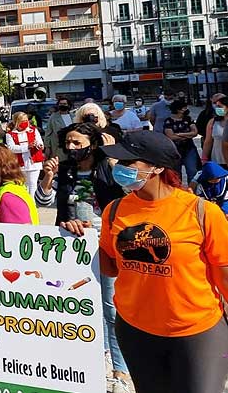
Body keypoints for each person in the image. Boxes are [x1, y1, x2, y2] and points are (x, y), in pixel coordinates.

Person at [98, 131, 228, 393]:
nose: (119, 168)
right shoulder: (114, 210)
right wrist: (73, 235)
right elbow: (109, 267)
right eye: (119, 163)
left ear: (157, 167)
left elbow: (225, 275)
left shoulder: (202, 212)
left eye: (128, 163)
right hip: (136, 330)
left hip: (196, 332)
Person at [39, 123, 129, 390]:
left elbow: (131, 194)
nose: (71, 148)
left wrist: (114, 160)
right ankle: (94, 361)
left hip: (106, 244)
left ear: (93, 143)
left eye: (77, 143)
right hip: (73, 248)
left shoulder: (108, 168)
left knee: (111, 308)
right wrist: (47, 177)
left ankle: (120, 370)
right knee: (83, 306)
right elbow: (43, 201)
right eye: (68, 143)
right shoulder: (65, 170)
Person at [5, 111, 45, 196]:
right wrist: (27, 147)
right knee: (23, 186)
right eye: (22, 121)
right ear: (16, 122)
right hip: (20, 163)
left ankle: (31, 202)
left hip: (34, 162)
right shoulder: (10, 134)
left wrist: (39, 145)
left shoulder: (33, 130)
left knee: (33, 185)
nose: (25, 123)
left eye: (26, 120)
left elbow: (40, 142)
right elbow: (11, 148)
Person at [163, 100, 201, 186]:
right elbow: (171, 136)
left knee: (192, 170)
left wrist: (181, 134)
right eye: (183, 107)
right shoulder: (169, 121)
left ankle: (192, 190)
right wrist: (188, 135)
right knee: (176, 173)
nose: (186, 109)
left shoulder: (188, 119)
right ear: (178, 109)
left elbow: (195, 132)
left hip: (189, 148)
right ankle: (178, 191)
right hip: (174, 150)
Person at [201, 94, 228, 168]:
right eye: (216, 106)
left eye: (220, 106)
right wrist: (204, 159)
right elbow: (208, 142)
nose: (217, 108)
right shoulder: (212, 122)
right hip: (217, 160)